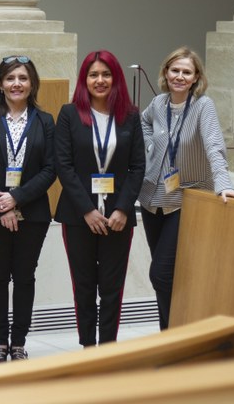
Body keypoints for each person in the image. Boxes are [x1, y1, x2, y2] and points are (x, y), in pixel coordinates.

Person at [138, 46, 234, 330]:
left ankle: (175, 334)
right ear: (166, 72)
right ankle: (171, 336)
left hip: (185, 199)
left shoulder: (203, 106)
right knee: (168, 278)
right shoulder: (159, 103)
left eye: (186, 72)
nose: (179, 76)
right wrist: (150, 146)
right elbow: (143, 122)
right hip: (153, 200)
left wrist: (223, 184)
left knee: (161, 274)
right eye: (174, 70)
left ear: (196, 77)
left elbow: (214, 146)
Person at [54, 50, 145, 347]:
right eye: (93, 75)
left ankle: (107, 348)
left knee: (111, 287)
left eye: (106, 74)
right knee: (83, 286)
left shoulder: (131, 116)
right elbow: (63, 166)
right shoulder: (69, 114)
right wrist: (87, 210)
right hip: (78, 216)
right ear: (84, 80)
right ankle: (88, 346)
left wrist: (123, 209)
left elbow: (137, 167)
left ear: (116, 79)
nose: (100, 80)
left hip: (118, 217)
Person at [0, 55, 56, 363]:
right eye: (10, 78)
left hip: (33, 212)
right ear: (0, 84)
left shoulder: (45, 121)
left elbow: (50, 168)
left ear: (32, 84)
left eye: (22, 78)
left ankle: (18, 342)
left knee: (25, 276)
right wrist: (1, 204)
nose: (16, 84)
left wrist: (15, 198)